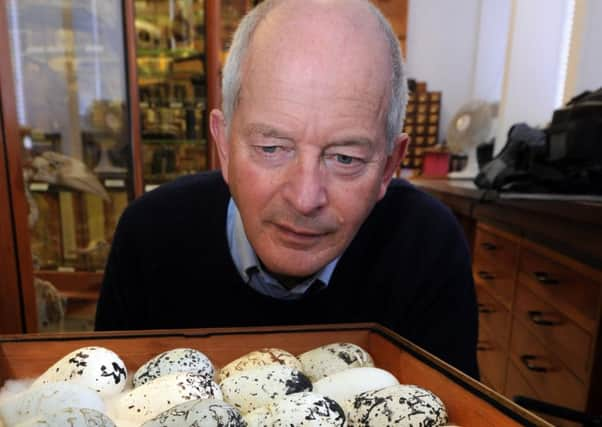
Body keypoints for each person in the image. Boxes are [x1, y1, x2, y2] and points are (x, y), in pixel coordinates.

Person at [95, 0, 479, 378]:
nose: (305, 198)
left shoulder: (429, 248)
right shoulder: (149, 237)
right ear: (224, 144)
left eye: (345, 158)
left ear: (389, 167)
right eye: (271, 148)